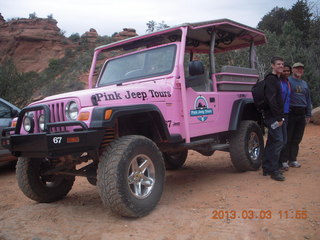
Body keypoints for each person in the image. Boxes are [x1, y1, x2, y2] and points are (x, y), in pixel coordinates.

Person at [283, 62, 312, 168]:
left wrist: (308, 114)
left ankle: (293, 159)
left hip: (302, 113)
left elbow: (308, 99)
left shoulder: (304, 83)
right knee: (288, 137)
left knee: (297, 138)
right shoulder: (288, 81)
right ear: (293, 70)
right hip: (291, 112)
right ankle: (284, 160)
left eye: (301, 69)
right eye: (297, 68)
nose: (299, 70)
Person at [262, 56, 286, 181]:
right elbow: (272, 100)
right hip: (273, 117)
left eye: (282, 64)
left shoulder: (276, 79)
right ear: (272, 65)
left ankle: (266, 168)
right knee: (279, 142)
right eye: (278, 64)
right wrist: (278, 118)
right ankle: (274, 170)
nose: (281, 66)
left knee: (272, 141)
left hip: (274, 116)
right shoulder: (271, 79)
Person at [279, 63, 292, 171]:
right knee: (279, 139)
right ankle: (276, 163)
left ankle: (281, 161)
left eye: (288, 71)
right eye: (284, 71)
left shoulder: (287, 82)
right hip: (278, 114)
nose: (286, 73)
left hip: (286, 113)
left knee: (284, 139)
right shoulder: (278, 82)